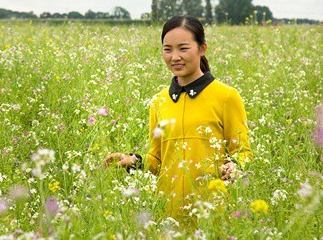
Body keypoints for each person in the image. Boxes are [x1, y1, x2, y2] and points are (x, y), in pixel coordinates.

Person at [104, 15, 253, 221]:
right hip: (168, 213)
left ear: (202, 49)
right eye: (168, 49)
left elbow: (243, 151)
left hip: (212, 214)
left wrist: (235, 165)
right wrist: (133, 160)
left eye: (183, 48)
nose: (174, 57)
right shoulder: (159, 101)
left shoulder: (226, 96)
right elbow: (157, 161)